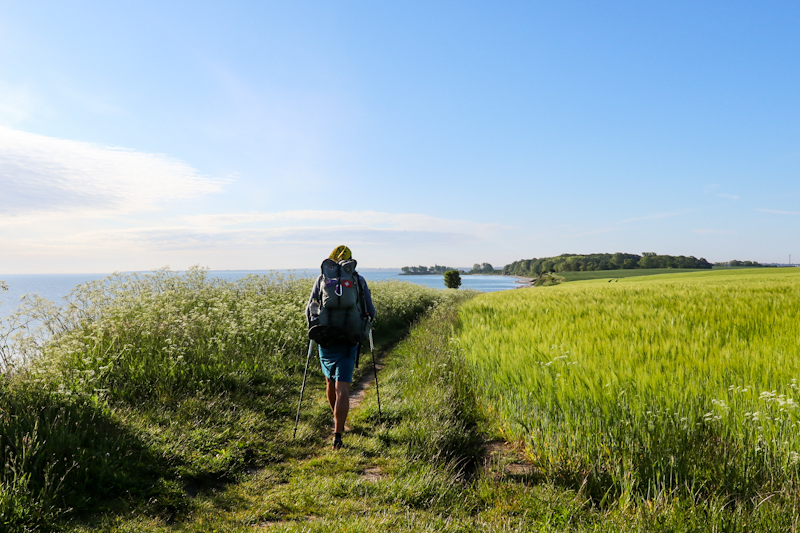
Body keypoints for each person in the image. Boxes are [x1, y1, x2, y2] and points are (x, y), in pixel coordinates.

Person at [306, 245, 376, 449]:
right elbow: (370, 310)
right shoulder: (358, 280)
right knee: (343, 388)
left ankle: (336, 418)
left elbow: (309, 309)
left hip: (326, 339)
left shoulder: (322, 279)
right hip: (350, 337)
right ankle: (338, 434)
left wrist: (315, 328)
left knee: (330, 382)